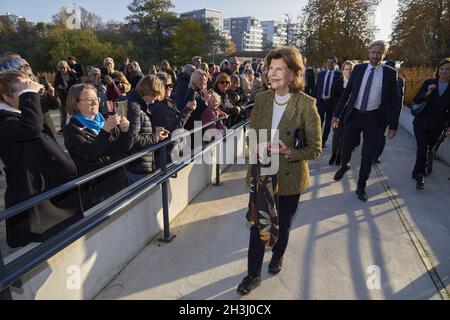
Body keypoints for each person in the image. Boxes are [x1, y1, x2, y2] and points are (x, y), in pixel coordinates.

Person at [237, 47, 322, 295]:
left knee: (282, 225)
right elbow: (250, 137)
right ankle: (253, 275)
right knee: (257, 225)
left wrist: (287, 151)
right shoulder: (262, 99)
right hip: (262, 173)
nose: (272, 74)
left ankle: (278, 255)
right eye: (270, 68)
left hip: (289, 178)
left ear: (294, 73)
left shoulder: (306, 105)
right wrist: (256, 145)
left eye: (279, 69)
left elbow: (315, 148)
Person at [0, 70, 83, 248]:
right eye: (20, 90)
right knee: (40, 246)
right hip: (32, 192)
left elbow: (45, 104)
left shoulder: (22, 108)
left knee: (62, 237)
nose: (26, 91)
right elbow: (31, 128)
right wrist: (28, 93)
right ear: (6, 97)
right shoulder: (3, 119)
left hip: (47, 187)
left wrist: (44, 94)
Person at [332, 40, 401, 201]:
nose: (375, 55)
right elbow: (347, 92)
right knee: (346, 146)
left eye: (379, 53)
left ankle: (361, 186)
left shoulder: (390, 74)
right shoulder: (359, 69)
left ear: (384, 55)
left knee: (368, 154)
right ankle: (344, 165)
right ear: (369, 52)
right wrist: (336, 114)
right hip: (354, 115)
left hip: (374, 118)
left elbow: (395, 101)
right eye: (373, 52)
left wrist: (393, 125)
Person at [63, 84, 132, 210]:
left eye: (96, 98)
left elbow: (122, 149)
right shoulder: (71, 129)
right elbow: (90, 153)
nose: (95, 102)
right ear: (75, 103)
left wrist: (125, 132)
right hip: (96, 191)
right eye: (89, 99)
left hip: (119, 180)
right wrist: (105, 131)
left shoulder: (105, 120)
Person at [411, 57, 450, 189]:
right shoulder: (430, 82)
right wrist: (428, 92)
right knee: (423, 148)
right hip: (421, 122)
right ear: (438, 70)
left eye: (448, 69)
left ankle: (417, 170)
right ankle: (420, 176)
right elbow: (416, 99)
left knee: (429, 150)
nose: (444, 71)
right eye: (442, 69)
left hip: (438, 125)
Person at [374, 60, 405, 164]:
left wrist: (395, 119)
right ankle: (370, 152)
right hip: (373, 111)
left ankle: (376, 155)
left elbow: (398, 99)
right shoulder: (377, 78)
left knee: (381, 135)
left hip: (386, 113)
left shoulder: (399, 81)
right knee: (372, 134)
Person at [329, 60, 355, 166]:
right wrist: (335, 114)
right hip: (338, 114)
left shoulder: (355, 84)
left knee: (345, 137)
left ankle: (340, 155)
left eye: (350, 69)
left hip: (350, 115)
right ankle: (334, 154)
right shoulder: (337, 82)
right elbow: (333, 99)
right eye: (346, 69)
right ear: (342, 70)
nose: (348, 72)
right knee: (336, 136)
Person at [314, 56, 342, 147]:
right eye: (328, 62)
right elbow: (317, 87)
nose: (329, 64)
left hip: (331, 103)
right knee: (319, 122)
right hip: (321, 102)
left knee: (328, 123)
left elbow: (339, 92)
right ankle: (317, 141)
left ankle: (323, 141)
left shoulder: (339, 75)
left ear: (335, 64)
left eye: (332, 62)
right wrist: (314, 100)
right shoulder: (321, 74)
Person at [55, 60, 79, 132]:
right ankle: (63, 128)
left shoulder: (72, 74)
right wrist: (59, 87)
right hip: (62, 97)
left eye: (64, 68)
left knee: (74, 112)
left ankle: (76, 127)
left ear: (67, 67)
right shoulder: (58, 75)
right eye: (60, 68)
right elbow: (55, 85)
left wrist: (67, 86)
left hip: (72, 96)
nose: (62, 69)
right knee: (63, 114)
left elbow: (76, 84)